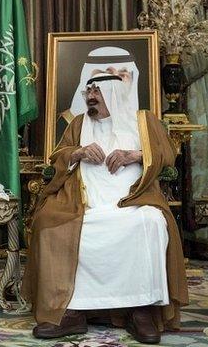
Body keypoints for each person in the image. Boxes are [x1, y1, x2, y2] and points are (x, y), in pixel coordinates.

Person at [22, 73, 188, 344]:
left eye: (97, 92)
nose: (90, 97)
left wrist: (135, 155)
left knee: (152, 222)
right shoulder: (78, 124)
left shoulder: (143, 122)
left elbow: (166, 154)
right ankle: (72, 311)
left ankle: (140, 310)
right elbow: (58, 156)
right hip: (82, 203)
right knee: (51, 223)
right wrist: (78, 153)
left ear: (114, 94)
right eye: (89, 92)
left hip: (133, 202)